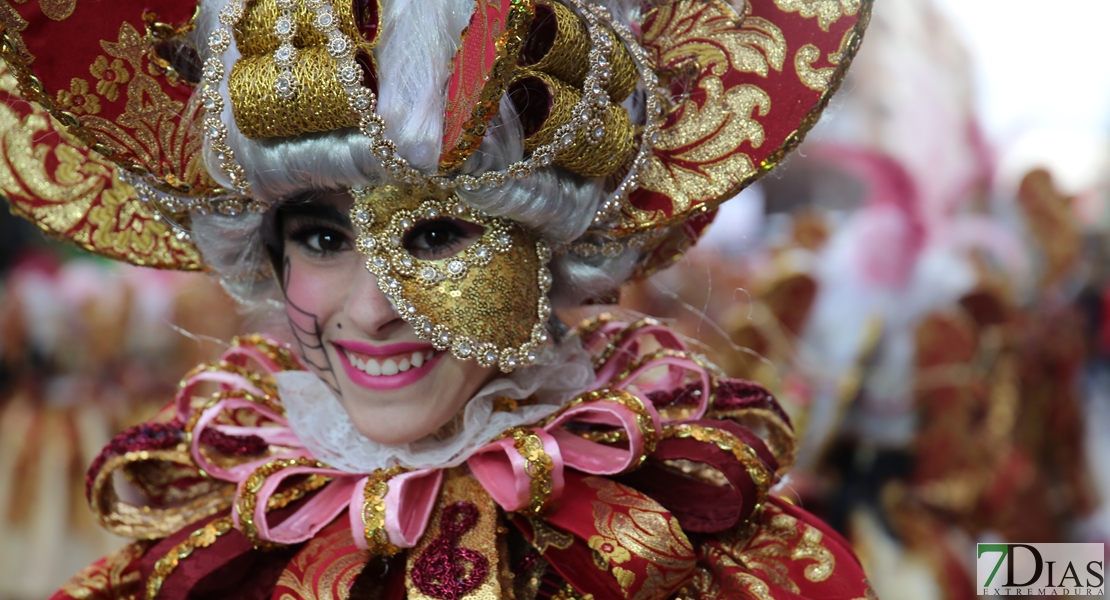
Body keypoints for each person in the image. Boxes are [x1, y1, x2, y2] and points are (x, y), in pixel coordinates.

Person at [0, 0, 879, 597]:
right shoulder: (201, 546)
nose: (371, 309)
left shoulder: (716, 559)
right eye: (322, 237)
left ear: (553, 248)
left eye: (435, 235)